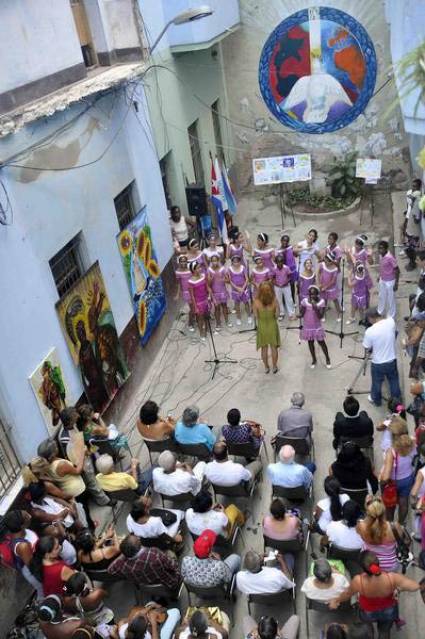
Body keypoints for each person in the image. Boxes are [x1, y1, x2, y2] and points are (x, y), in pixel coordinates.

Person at [329, 551, 425, 639]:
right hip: (389, 610)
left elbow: (347, 594)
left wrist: (336, 600)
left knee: (367, 627)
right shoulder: (392, 578)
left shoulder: (358, 581)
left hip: (368, 610)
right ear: (378, 563)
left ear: (362, 568)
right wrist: (398, 589)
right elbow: (415, 586)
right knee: (384, 631)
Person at [37, 438, 96, 531]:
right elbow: (78, 471)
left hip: (69, 490)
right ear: (53, 453)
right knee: (84, 512)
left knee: (82, 513)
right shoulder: (60, 465)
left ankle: (89, 525)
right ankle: (90, 529)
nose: (57, 447)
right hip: (78, 491)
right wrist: (82, 454)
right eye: (55, 447)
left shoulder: (46, 466)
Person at [59, 408, 112, 509]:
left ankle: (103, 491)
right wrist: (80, 464)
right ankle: (104, 500)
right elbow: (71, 454)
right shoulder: (65, 437)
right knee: (91, 481)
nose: (77, 416)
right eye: (75, 416)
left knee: (94, 477)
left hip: (85, 454)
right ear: (69, 420)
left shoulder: (73, 426)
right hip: (80, 461)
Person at [108, 534, 181, 592]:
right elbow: (173, 566)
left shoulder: (121, 564)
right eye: (138, 539)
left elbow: (110, 570)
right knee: (170, 553)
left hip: (145, 586)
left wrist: (123, 553)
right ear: (139, 545)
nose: (139, 538)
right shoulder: (153, 553)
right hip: (169, 583)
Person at [362, 307, 401, 407]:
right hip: (391, 360)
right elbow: (395, 332)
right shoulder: (391, 322)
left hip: (378, 363)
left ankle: (377, 401)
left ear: (371, 318)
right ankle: (397, 403)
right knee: (394, 381)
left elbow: (367, 347)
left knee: (377, 383)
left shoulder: (369, 331)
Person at [356, 497, 407, 572]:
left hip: (368, 562)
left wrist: (367, 506)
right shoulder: (395, 527)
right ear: (384, 510)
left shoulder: (361, 526)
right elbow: (403, 539)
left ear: (368, 511)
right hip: (390, 565)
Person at [380, 432, 416, 524]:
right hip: (407, 478)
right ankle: (400, 524)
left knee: (390, 506)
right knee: (404, 502)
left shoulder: (392, 451)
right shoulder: (411, 446)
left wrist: (382, 483)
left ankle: (390, 525)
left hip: (393, 481)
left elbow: (386, 476)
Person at [300, 285, 331, 369]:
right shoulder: (305, 301)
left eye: (314, 294)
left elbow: (320, 316)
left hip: (317, 326)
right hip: (308, 326)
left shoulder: (322, 302)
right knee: (310, 343)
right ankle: (314, 359)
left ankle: (327, 358)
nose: (312, 296)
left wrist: (315, 307)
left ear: (318, 294)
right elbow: (302, 313)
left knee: (321, 343)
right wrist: (298, 315)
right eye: (310, 294)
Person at [253, 281, 280, 374]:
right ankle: (275, 366)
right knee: (274, 348)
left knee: (264, 348)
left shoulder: (256, 301)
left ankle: (266, 367)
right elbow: (277, 315)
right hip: (272, 326)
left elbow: (256, 316)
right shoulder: (274, 300)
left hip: (262, 326)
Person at [226, 254, 252, 325]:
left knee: (246, 303)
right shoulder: (230, 269)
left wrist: (243, 288)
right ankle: (238, 318)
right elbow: (230, 280)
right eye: (234, 262)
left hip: (244, 288)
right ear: (232, 262)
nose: (236, 263)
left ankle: (249, 316)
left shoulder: (243, 268)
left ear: (240, 262)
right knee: (237, 304)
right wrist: (237, 288)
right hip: (235, 289)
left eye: (237, 262)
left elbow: (246, 279)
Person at [208, 254, 231, 331]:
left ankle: (227, 321)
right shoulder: (209, 270)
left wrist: (224, 280)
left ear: (218, 261)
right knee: (217, 308)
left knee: (224, 306)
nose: (215, 262)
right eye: (213, 261)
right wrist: (210, 280)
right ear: (211, 261)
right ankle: (218, 323)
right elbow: (208, 284)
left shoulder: (223, 269)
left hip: (223, 291)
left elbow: (228, 281)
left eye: (216, 260)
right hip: (215, 292)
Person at [377, 241, 399, 319]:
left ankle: (391, 316)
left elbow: (397, 269)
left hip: (390, 281)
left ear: (386, 249)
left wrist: (396, 283)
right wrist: (379, 276)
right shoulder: (380, 256)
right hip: (382, 280)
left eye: (382, 248)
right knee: (381, 296)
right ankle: (380, 312)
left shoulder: (390, 257)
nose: (380, 250)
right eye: (379, 248)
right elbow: (382, 266)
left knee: (391, 299)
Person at [188, 261, 209, 341]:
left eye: (200, 267)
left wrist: (210, 296)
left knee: (206, 316)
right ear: (193, 270)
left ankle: (206, 328)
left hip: (205, 299)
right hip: (198, 301)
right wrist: (195, 307)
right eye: (198, 268)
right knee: (200, 318)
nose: (200, 269)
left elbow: (207, 286)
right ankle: (201, 332)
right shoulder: (190, 281)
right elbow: (192, 296)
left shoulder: (203, 276)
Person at [318, 252, 341, 320]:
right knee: (323, 301)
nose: (326, 262)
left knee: (335, 300)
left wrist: (326, 287)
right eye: (325, 260)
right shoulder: (322, 265)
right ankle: (323, 315)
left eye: (328, 262)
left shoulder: (335, 269)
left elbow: (333, 281)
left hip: (331, 288)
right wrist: (319, 283)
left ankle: (338, 314)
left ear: (332, 262)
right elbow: (319, 273)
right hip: (323, 286)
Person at [175, 255, 195, 332]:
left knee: (196, 306)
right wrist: (178, 294)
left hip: (194, 290)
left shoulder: (191, 270)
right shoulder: (177, 272)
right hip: (186, 293)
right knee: (192, 308)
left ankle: (194, 319)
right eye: (181, 261)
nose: (183, 263)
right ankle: (190, 323)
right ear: (179, 262)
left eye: (184, 261)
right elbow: (179, 284)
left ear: (187, 262)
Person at [272, 254, 296, 320]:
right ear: (276, 262)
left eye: (281, 262)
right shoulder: (274, 268)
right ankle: (281, 313)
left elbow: (290, 276)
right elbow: (273, 277)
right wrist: (276, 283)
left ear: (283, 262)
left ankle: (291, 313)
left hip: (286, 286)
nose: (280, 263)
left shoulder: (286, 268)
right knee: (279, 300)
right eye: (278, 262)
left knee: (289, 299)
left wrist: (286, 282)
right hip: (277, 287)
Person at [276, 234, 298, 302]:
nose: (285, 242)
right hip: (283, 271)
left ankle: (293, 300)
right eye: (283, 241)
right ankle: (284, 301)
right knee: (284, 286)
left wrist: (295, 251)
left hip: (292, 270)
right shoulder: (279, 251)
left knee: (292, 286)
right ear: (281, 241)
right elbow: (278, 261)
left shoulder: (290, 248)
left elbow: (296, 255)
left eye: (287, 241)